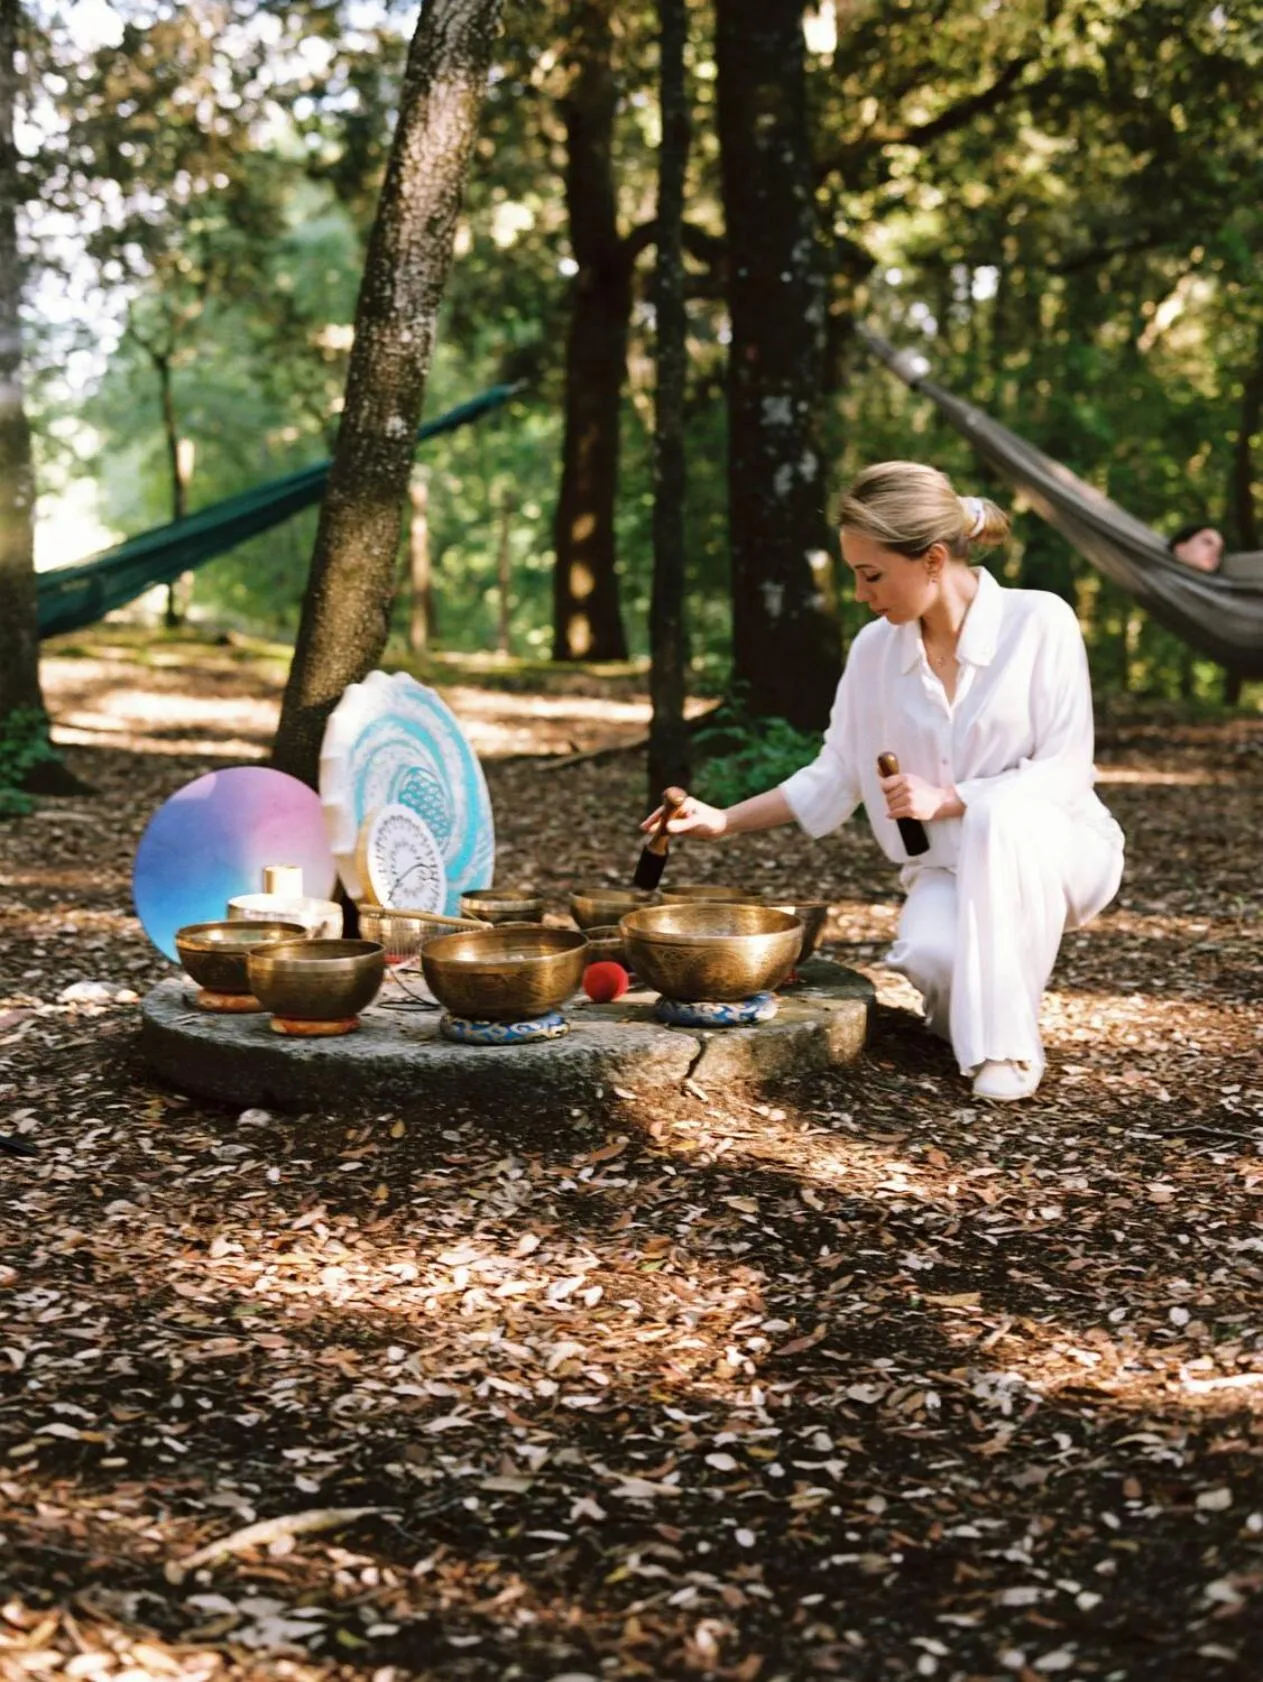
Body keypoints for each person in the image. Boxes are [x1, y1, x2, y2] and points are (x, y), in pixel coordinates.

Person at [642, 461, 1125, 1103]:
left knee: (1000, 815)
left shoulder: (1040, 621)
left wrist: (950, 799)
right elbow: (837, 771)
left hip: (1058, 851)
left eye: (871, 575)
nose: (860, 593)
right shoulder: (874, 650)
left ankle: (1009, 1047)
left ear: (932, 560)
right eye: (855, 575)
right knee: (930, 956)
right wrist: (723, 820)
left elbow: (1065, 767)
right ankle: (977, 1020)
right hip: (948, 868)